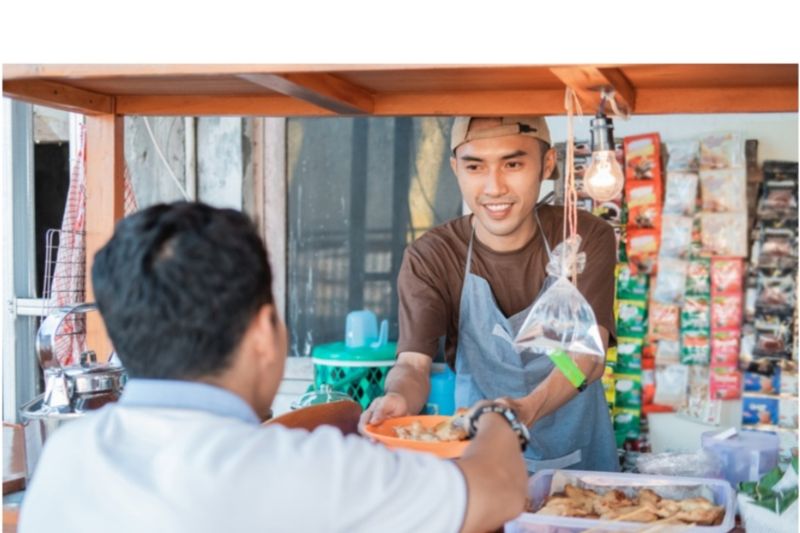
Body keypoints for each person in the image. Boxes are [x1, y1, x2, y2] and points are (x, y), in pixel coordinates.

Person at [19, 202, 528, 533]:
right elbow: (499, 491)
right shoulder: (304, 471)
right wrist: (495, 420)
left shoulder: (68, 457)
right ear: (264, 333)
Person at [361, 116, 619, 473]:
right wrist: (399, 397)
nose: (494, 187)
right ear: (455, 168)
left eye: (512, 164)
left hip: (580, 467)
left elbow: (585, 362)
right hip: (480, 462)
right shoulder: (433, 256)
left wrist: (527, 409)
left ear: (547, 164)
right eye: (475, 166)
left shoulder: (581, 237)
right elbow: (412, 364)